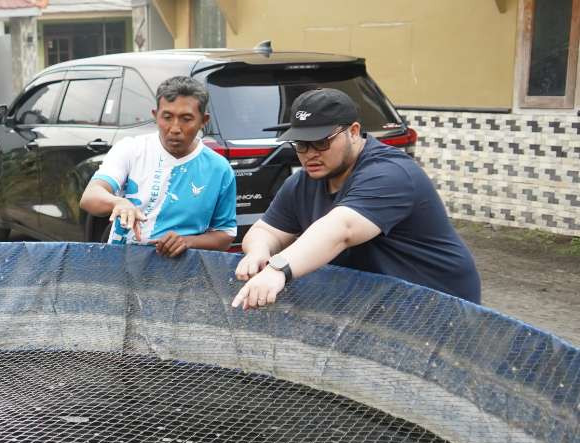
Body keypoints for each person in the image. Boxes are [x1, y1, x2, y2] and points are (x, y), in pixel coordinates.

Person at [232, 88, 481, 309]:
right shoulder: (303, 182)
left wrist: (279, 270)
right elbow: (267, 230)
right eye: (301, 144)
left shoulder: (390, 173)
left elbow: (342, 229)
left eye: (320, 142)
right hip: (382, 305)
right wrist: (258, 252)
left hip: (440, 306)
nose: (309, 154)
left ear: (353, 131)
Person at [79, 76, 236, 257]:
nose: (175, 128)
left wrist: (188, 242)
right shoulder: (131, 149)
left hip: (184, 275)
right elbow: (90, 197)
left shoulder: (219, 169)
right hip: (122, 267)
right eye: (167, 117)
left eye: (186, 119)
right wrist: (119, 202)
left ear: (203, 120)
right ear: (155, 116)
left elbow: (226, 235)